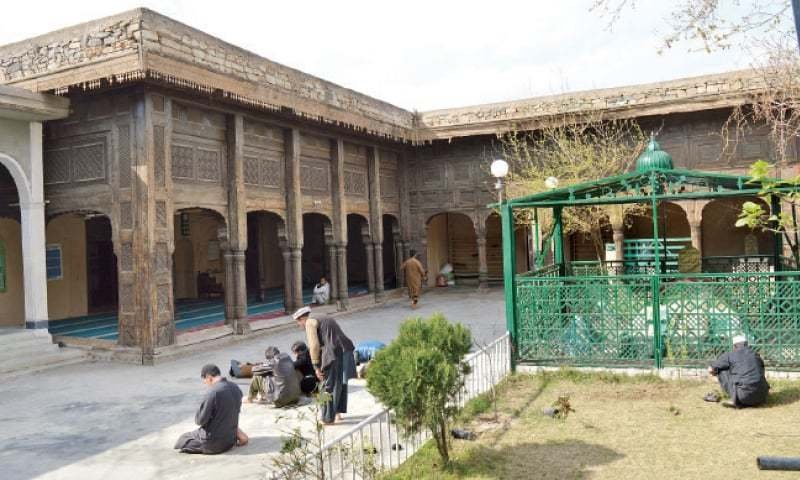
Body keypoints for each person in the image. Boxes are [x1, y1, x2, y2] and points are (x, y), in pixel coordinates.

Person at [293, 306, 356, 424]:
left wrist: (316, 366)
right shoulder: (322, 316)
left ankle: (327, 418)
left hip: (334, 352)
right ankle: (337, 414)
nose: (299, 325)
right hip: (345, 349)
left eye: (298, 322)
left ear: (302, 318)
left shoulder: (309, 322)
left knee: (326, 386)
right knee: (340, 383)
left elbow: (314, 346)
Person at [175, 364, 249, 454]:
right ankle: (239, 435)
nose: (206, 384)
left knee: (183, 439)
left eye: (205, 381)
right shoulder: (235, 387)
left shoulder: (212, 392)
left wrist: (202, 405)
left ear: (209, 378)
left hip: (214, 444)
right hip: (230, 441)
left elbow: (200, 421)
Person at [706, 335, 770, 408]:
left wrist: (715, 376)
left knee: (721, 370)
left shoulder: (730, 355)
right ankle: (750, 398)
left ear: (734, 346)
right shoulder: (756, 355)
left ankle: (735, 399)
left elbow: (710, 369)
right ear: (746, 344)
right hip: (762, 395)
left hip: (743, 396)